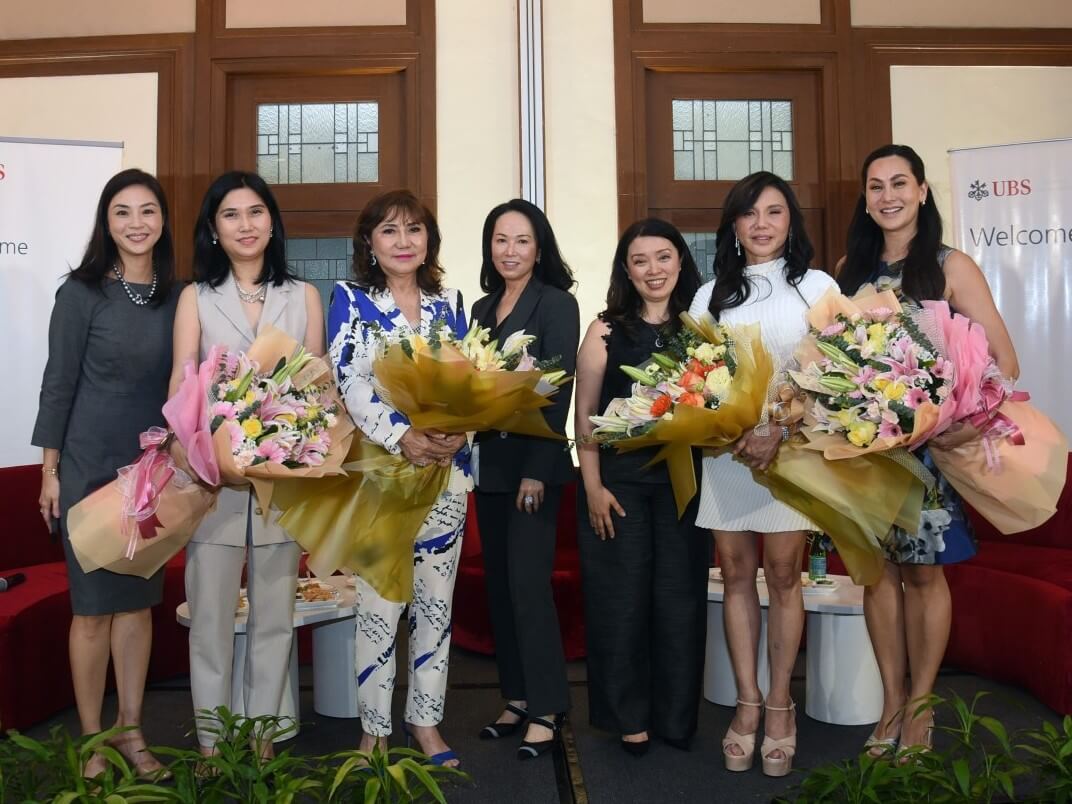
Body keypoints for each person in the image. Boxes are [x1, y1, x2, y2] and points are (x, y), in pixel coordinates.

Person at [836, 144, 1019, 756]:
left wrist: (958, 420)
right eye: (875, 185)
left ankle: (922, 706)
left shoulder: (950, 266)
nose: (886, 196)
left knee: (924, 574)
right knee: (877, 577)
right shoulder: (848, 272)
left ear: (920, 192)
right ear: (865, 198)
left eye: (899, 183)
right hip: (864, 455)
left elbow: (1004, 362)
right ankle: (889, 703)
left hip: (930, 454)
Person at [170, 171, 324, 757]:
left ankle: (262, 739)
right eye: (231, 215)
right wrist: (193, 453)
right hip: (214, 482)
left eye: (256, 212)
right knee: (209, 621)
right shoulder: (195, 297)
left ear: (272, 222)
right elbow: (183, 382)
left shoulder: (303, 296)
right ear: (213, 228)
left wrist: (302, 444)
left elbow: (317, 390)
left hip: (283, 482)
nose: (245, 225)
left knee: (274, 622)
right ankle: (213, 743)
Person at [688, 171, 837, 777]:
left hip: (792, 451)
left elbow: (837, 373)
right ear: (734, 225)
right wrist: (734, 428)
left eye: (774, 212)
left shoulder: (817, 286)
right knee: (736, 573)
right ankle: (747, 703)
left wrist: (779, 425)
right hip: (727, 455)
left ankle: (781, 704)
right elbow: (694, 379)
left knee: (783, 575)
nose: (762, 224)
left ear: (791, 221)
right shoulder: (709, 295)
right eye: (749, 214)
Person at [32, 168, 180, 779]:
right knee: (92, 610)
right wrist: (50, 472)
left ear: (163, 220)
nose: (137, 223)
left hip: (151, 472)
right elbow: (58, 383)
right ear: (106, 221)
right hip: (90, 466)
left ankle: (132, 733)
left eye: (148, 211)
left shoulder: (181, 295)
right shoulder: (82, 293)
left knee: (137, 608)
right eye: (123, 212)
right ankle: (93, 741)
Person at [328, 190, 470, 767]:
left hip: (445, 473)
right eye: (389, 231)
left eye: (414, 229)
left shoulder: (451, 299)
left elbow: (471, 374)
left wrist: (461, 430)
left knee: (437, 605)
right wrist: (401, 435)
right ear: (370, 242)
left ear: (429, 239)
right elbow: (350, 381)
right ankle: (373, 729)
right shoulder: (349, 298)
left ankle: (426, 723)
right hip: (380, 475)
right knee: (379, 604)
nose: (404, 241)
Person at [574, 218, 710, 756]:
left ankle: (677, 717)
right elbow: (584, 418)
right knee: (620, 602)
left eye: (663, 257)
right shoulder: (605, 329)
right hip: (620, 488)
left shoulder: (702, 329)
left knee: (680, 603)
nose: (653, 270)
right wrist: (592, 487)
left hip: (685, 487)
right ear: (626, 270)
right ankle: (629, 717)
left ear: (680, 261)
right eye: (640, 260)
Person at [471, 199, 579, 760]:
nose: (509, 251)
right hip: (490, 467)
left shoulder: (556, 304)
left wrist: (539, 469)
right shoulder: (482, 308)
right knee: (499, 588)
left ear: (540, 249)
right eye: (500, 240)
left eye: (521, 240)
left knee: (529, 587)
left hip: (533, 468)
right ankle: (515, 696)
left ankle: (549, 705)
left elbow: (555, 390)